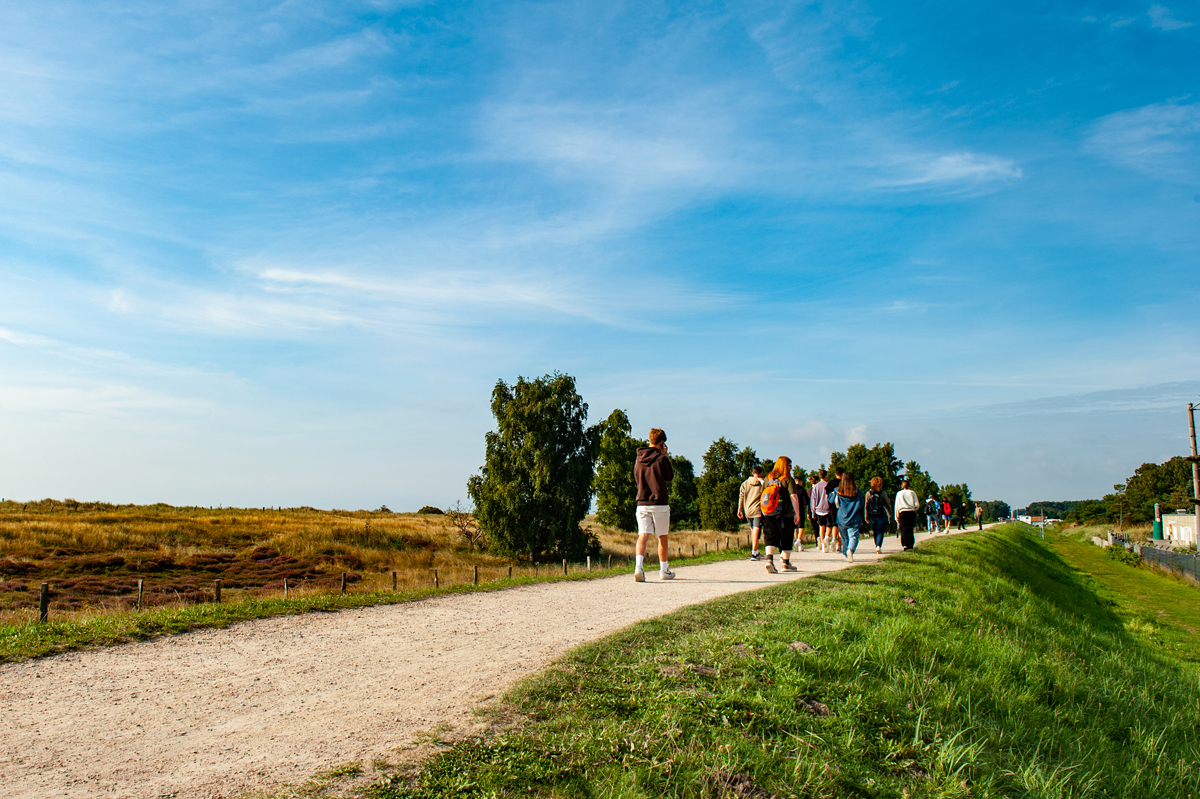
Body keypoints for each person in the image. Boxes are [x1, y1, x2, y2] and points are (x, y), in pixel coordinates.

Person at [633, 428, 674, 582]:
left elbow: (636, 477)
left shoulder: (638, 459)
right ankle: (664, 570)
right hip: (659, 502)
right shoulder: (661, 459)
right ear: (662, 443)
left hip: (642, 502)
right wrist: (665, 457)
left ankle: (639, 567)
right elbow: (669, 477)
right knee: (662, 536)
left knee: (643, 535)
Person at [761, 456, 802, 574]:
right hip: (786, 514)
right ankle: (785, 563)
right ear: (785, 465)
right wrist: (797, 513)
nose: (791, 468)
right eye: (790, 465)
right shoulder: (788, 479)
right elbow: (793, 496)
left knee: (770, 535)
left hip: (769, 512)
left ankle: (769, 560)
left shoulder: (768, 478)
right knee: (786, 537)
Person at [832, 470, 865, 562]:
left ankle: (846, 553)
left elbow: (831, 501)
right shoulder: (857, 491)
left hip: (842, 518)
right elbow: (862, 505)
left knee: (845, 537)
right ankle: (850, 550)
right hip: (854, 517)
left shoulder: (838, 491)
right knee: (853, 536)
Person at [737, 466, 765, 560]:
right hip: (757, 509)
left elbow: (741, 496)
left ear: (753, 473)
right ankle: (754, 553)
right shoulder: (761, 483)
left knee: (753, 530)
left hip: (747, 510)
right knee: (756, 529)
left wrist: (739, 509)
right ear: (760, 474)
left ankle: (756, 550)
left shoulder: (745, 483)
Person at [865, 477, 891, 555]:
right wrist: (890, 513)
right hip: (881, 514)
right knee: (880, 531)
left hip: (872, 515)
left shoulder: (868, 493)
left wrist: (866, 516)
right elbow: (887, 503)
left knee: (875, 531)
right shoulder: (882, 493)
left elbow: (866, 505)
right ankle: (878, 546)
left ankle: (876, 545)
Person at [809, 471, 833, 552]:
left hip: (818, 509)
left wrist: (813, 511)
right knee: (829, 526)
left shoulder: (815, 486)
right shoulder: (828, 485)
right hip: (828, 508)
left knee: (821, 527)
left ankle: (823, 545)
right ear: (825, 476)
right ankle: (826, 538)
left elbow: (813, 500)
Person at [894, 478, 920, 551]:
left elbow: (897, 505)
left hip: (902, 511)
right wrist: (914, 508)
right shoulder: (912, 492)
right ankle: (910, 544)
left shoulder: (899, 493)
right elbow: (917, 504)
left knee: (904, 529)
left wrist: (896, 517)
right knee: (910, 528)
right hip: (911, 511)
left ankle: (905, 544)